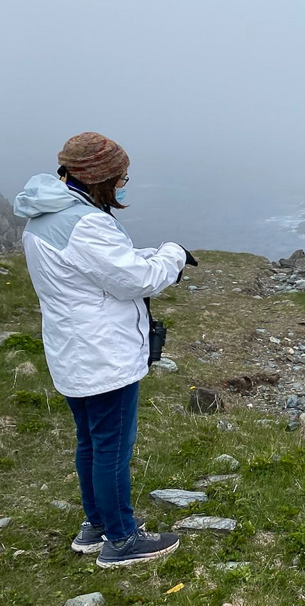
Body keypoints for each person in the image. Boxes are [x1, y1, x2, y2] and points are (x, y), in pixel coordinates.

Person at [14, 132, 195, 568]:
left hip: (72, 349)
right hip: (102, 354)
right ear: (101, 178)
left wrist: (145, 255)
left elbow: (95, 269)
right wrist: (171, 253)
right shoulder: (85, 223)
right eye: (122, 177)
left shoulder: (45, 216)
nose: (124, 184)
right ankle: (122, 539)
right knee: (112, 445)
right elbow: (135, 280)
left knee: (91, 442)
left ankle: (95, 526)